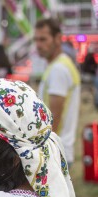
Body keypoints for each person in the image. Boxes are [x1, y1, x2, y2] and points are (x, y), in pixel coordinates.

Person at [34, 18, 80, 166]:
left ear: (58, 38)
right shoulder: (60, 64)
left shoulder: (58, 69)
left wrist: (40, 152)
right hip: (59, 150)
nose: (39, 45)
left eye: (43, 39)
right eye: (36, 40)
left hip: (55, 153)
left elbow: (54, 118)